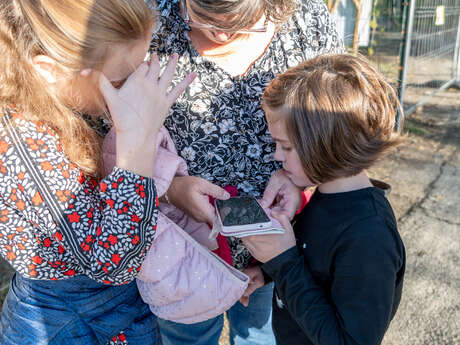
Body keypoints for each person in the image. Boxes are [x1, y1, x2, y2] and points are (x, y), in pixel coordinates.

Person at [149, 0, 343, 343]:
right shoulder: (149, 19)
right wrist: (170, 188)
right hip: (183, 254)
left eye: (242, 24)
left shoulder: (307, 18)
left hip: (276, 251)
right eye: (203, 18)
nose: (222, 33)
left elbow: (341, 122)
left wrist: (303, 176)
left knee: (261, 335)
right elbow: (103, 135)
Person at [0, 1, 194, 344]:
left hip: (105, 309)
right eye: (121, 79)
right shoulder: (23, 146)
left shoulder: (56, 92)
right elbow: (114, 264)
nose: (136, 87)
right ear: (49, 69)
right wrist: (140, 138)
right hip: (67, 319)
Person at [242, 54, 407, 345]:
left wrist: (283, 264)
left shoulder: (369, 238)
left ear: (325, 145)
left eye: (286, 147)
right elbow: (316, 263)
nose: (276, 156)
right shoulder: (326, 197)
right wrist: (267, 272)